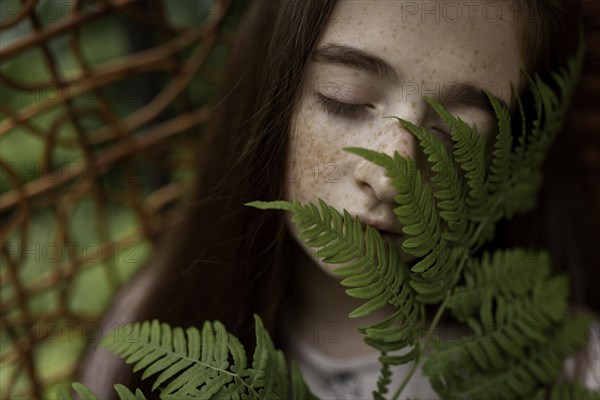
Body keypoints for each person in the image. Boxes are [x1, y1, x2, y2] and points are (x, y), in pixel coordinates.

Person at [78, 0, 599, 399]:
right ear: (273, 94)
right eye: (343, 97)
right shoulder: (150, 323)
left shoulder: (572, 365)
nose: (390, 175)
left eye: (453, 135)